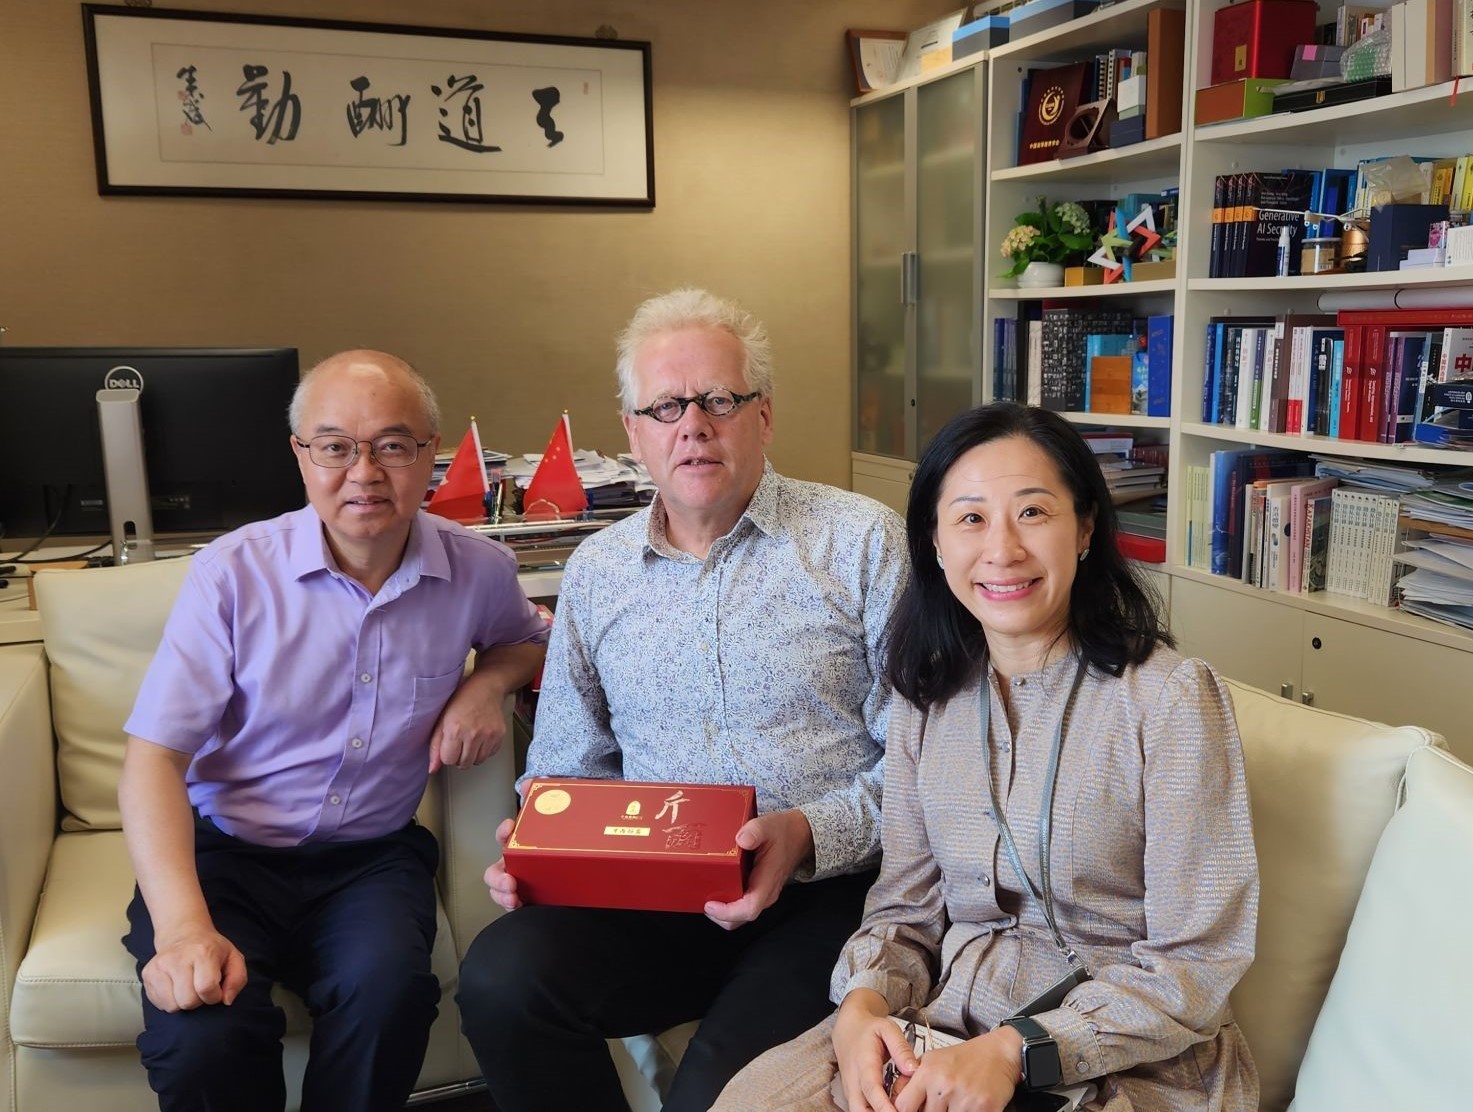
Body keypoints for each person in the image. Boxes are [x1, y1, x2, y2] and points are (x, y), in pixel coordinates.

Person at [713, 401, 1259, 1112]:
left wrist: (1016, 1049)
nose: (1001, 550)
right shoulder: (926, 698)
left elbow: (1198, 960)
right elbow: (904, 909)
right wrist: (861, 1009)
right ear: (935, 544)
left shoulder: (1170, 700)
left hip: (1122, 1053)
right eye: (970, 518)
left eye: (1032, 512)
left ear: (1084, 528)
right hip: (944, 1022)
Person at [456, 288, 909, 1112]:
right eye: (665, 406)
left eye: (718, 401)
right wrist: (541, 845)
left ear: (762, 416)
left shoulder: (860, 542)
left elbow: (926, 766)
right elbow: (565, 763)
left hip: (830, 894)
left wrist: (806, 832)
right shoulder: (597, 572)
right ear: (633, 432)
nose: (692, 426)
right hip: (654, 896)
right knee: (500, 978)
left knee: (713, 1095)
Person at [118, 350, 549, 1112]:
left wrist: (486, 684)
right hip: (226, 852)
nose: (364, 473)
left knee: (389, 999)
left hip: (370, 861)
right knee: (202, 1039)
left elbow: (530, 640)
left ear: (430, 454)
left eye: (393, 445)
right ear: (300, 456)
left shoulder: (478, 569)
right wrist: (183, 929)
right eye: (335, 447)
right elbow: (154, 757)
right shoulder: (232, 574)